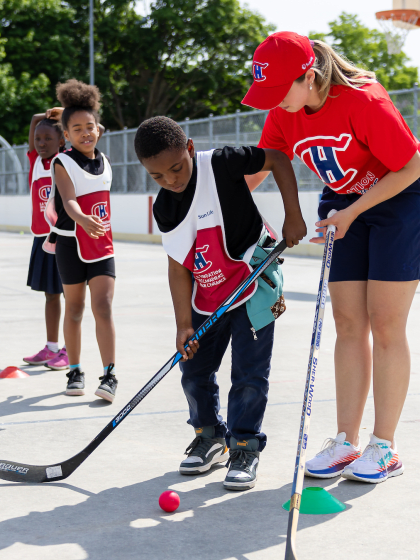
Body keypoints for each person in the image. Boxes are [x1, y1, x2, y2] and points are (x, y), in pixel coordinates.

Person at [243, 32, 420, 483]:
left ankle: (384, 447)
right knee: (347, 322)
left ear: (309, 75)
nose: (274, 102)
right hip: (343, 205)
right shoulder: (284, 112)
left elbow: (412, 165)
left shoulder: (365, 100)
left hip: (398, 202)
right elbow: (260, 170)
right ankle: (347, 440)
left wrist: (354, 211)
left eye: (279, 90)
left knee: (384, 323)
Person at [134, 116, 306, 490]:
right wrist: (183, 325)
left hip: (253, 285)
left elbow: (277, 158)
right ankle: (209, 436)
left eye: (177, 168)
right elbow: (178, 268)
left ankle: (244, 446)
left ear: (190, 148)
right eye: (158, 177)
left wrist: (293, 214)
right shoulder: (165, 208)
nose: (171, 180)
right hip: (207, 295)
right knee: (193, 370)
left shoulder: (223, 163)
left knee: (248, 375)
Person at [43, 79, 118, 402]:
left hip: (101, 244)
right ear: (66, 135)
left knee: (103, 306)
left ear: (98, 129)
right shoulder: (63, 162)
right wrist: (83, 219)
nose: (86, 133)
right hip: (71, 242)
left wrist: (72, 114)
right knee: (75, 309)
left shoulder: (105, 159)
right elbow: (69, 200)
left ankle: (110, 374)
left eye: (90, 127)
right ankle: (74, 370)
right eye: (76, 129)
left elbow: (90, 121)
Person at [23, 112, 70, 371]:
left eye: (47, 138)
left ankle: (68, 351)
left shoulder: (66, 160)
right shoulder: (35, 162)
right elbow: (33, 123)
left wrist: (66, 115)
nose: (40, 143)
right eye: (38, 138)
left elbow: (98, 129)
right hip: (42, 239)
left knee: (70, 298)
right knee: (50, 296)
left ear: (62, 140)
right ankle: (51, 347)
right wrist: (40, 117)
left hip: (63, 238)